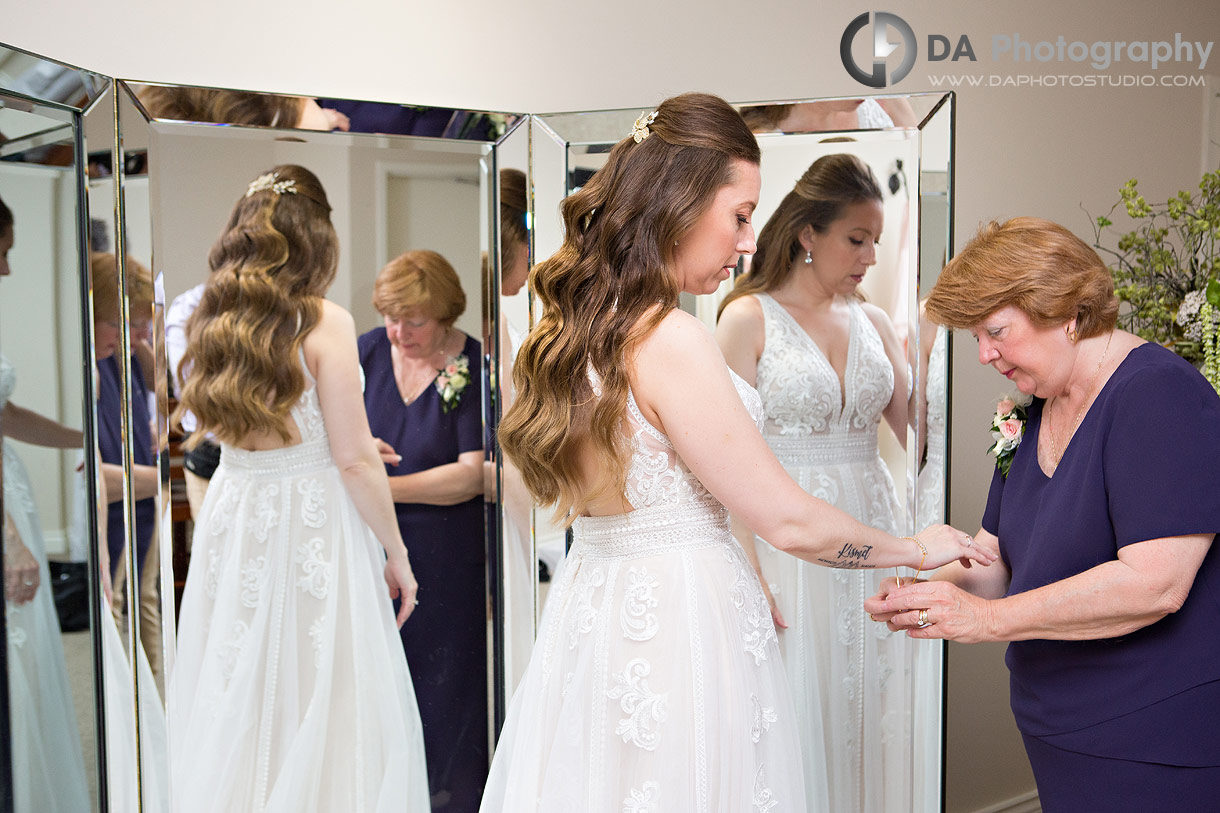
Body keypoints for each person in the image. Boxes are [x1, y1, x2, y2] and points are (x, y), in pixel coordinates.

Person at [482, 93, 988, 811]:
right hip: (682, 618)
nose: (749, 241)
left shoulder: (579, 329)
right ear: (679, 203)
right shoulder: (670, 337)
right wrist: (913, 547)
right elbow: (789, 521)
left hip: (597, 602)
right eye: (740, 215)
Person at [865, 217, 1220, 810]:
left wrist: (985, 621)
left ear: (1067, 311)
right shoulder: (1032, 413)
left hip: (1153, 736)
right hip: (1056, 725)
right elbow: (998, 561)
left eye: (996, 331)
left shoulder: (1160, 396)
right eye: (976, 337)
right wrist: (927, 588)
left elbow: (1156, 584)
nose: (983, 355)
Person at [170, 164, 428, 812]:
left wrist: (345, 446)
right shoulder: (324, 319)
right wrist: (396, 552)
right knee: (321, 682)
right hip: (311, 517)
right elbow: (353, 463)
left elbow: (250, 427)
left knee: (241, 678)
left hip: (238, 506)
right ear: (317, 238)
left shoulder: (210, 315)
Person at [714, 152, 920, 812]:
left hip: (874, 524)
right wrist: (749, 570)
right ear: (809, 232)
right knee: (800, 702)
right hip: (788, 540)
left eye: (875, 243)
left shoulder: (876, 322)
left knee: (876, 699)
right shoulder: (747, 318)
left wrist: (935, 342)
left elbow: (917, 431)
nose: (867, 258)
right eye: (855, 239)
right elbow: (725, 460)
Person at [358, 249, 487, 812]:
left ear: (446, 314)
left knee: (441, 683)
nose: (399, 332)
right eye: (391, 317)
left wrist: (380, 486)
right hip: (368, 545)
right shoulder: (365, 351)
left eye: (415, 320)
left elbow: (470, 476)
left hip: (447, 551)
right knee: (373, 679)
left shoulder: (473, 366)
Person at [0, 193, 91, 813]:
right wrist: (10, 539)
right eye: (2, 252)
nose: (7, 270)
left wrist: (83, 436)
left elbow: (2, 415)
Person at [92, 251, 164, 680]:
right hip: (125, 495)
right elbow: (95, 473)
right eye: (134, 323)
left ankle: (156, 695)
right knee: (115, 601)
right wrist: (163, 479)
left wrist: (137, 344)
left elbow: (159, 384)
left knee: (147, 596)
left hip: (143, 492)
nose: (142, 333)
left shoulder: (128, 354)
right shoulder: (95, 361)